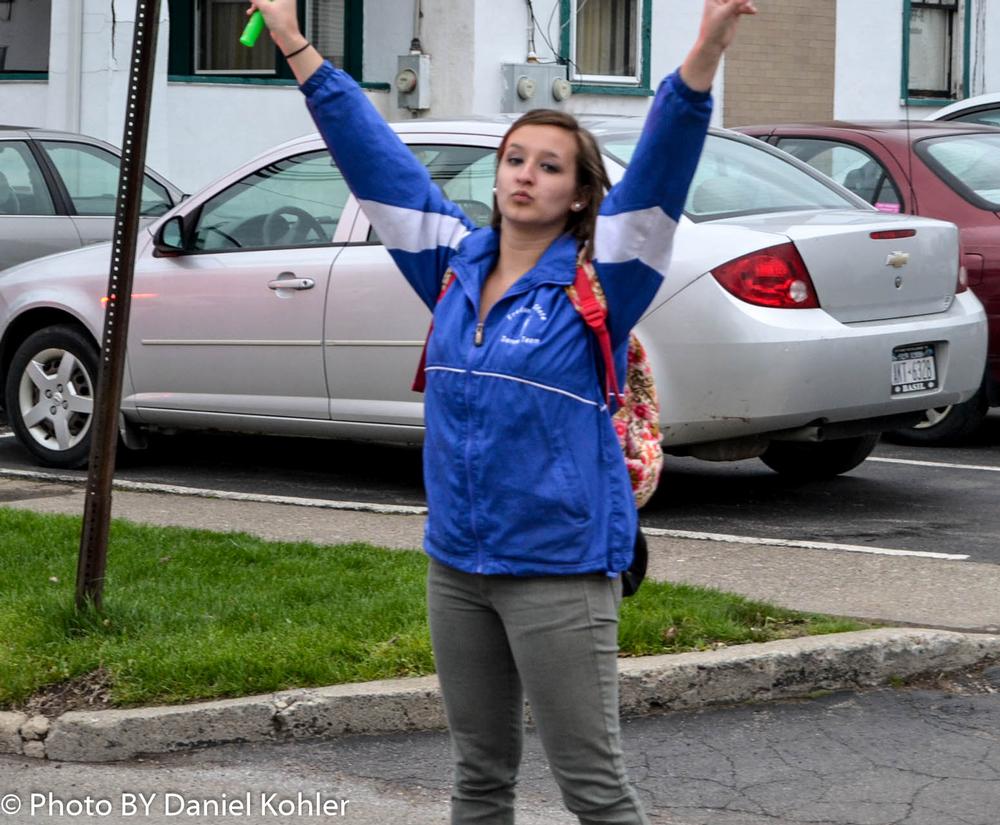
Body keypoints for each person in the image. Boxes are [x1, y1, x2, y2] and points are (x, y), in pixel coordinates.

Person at [248, 1, 756, 822]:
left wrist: (706, 53)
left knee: (594, 789)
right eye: (515, 158)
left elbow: (662, 172)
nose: (525, 174)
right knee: (478, 779)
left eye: (550, 166)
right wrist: (296, 45)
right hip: (457, 564)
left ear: (582, 194)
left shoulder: (603, 284)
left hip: (558, 568)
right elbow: (377, 163)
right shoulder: (448, 264)